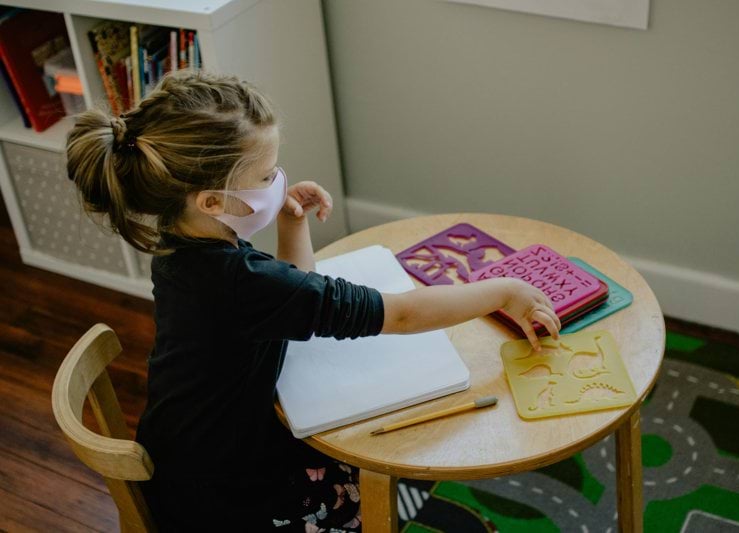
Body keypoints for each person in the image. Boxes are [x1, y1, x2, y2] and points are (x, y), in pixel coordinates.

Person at [65, 70, 561, 532]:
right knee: (380, 467)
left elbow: (292, 297)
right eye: (265, 177)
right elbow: (403, 313)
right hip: (228, 499)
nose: (276, 182)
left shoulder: (182, 245)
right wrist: (504, 291)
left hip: (190, 457)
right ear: (212, 202)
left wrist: (290, 221)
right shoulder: (239, 281)